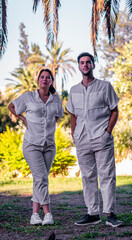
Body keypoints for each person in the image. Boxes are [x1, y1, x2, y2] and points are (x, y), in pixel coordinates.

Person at [66, 52, 123, 227]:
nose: (85, 65)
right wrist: (74, 134)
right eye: (82, 63)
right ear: (78, 66)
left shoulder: (105, 86)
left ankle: (110, 214)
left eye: (88, 62)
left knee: (107, 176)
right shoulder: (73, 90)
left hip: (101, 137)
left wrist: (107, 131)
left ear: (93, 65)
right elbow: (73, 114)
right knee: (87, 176)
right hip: (82, 138)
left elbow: (114, 110)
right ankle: (92, 213)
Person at [8, 68, 64, 225]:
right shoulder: (28, 97)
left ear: (51, 81)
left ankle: (34, 214)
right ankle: (47, 214)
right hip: (32, 144)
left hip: (49, 146)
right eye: (42, 77)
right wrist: (23, 119)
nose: (44, 79)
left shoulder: (56, 100)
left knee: (40, 180)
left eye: (48, 77)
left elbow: (59, 115)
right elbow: (11, 106)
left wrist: (48, 127)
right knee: (41, 178)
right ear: (38, 80)